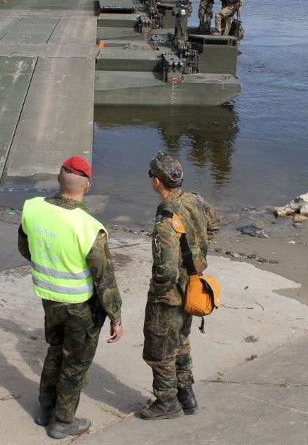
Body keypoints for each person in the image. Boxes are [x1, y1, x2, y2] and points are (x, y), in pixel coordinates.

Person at [18, 156, 124, 439]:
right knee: (75, 363)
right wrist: (115, 316)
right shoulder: (89, 227)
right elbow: (104, 279)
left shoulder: (33, 208)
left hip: (49, 299)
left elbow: (25, 247)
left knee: (55, 350)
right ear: (87, 186)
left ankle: (45, 409)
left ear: (58, 178)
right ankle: (63, 422)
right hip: (80, 307)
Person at [140, 151, 220, 420]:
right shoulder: (195, 200)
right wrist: (197, 256)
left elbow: (165, 268)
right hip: (193, 286)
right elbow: (213, 225)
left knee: (160, 349)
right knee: (181, 341)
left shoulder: (166, 218)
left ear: (157, 181)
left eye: (151, 175)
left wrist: (159, 292)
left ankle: (166, 402)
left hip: (171, 296)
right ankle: (187, 395)